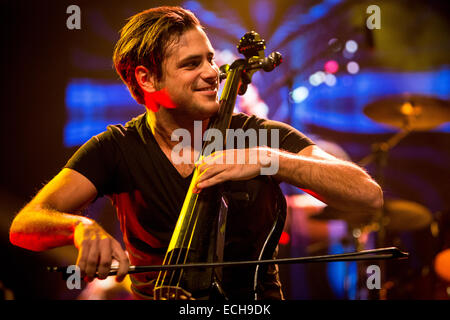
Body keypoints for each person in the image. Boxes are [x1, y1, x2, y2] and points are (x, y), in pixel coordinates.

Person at [9, 6, 382, 300]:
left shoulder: (257, 136)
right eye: (191, 64)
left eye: (209, 59)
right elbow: (25, 225)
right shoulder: (116, 148)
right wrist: (81, 227)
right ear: (147, 78)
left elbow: (368, 195)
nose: (213, 73)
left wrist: (271, 160)